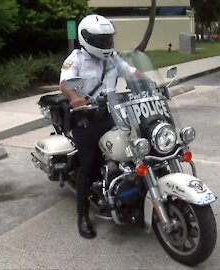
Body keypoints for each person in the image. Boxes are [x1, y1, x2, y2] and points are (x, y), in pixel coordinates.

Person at [59, 14, 147, 239]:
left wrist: (147, 81)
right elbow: (65, 82)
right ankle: (83, 216)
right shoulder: (76, 59)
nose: (106, 45)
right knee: (88, 165)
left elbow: (130, 71)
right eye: (101, 41)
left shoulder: (113, 59)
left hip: (111, 114)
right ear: (86, 39)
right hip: (85, 118)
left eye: (108, 39)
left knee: (134, 153)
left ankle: (132, 199)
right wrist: (75, 97)